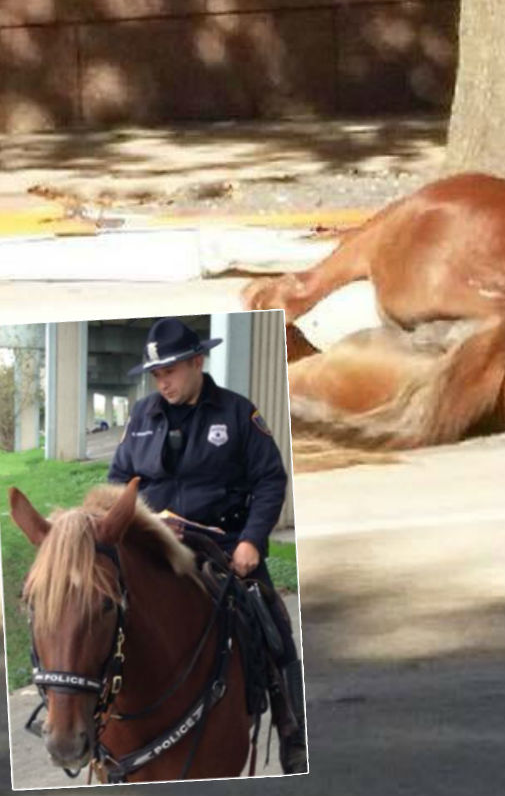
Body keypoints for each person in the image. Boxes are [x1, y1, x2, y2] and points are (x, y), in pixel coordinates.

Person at [108, 316, 307, 774]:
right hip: (154, 544)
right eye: (156, 375)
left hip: (222, 545)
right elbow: (119, 478)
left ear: (198, 361)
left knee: (272, 622)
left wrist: (253, 541)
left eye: (171, 371)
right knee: (98, 611)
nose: (163, 382)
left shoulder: (237, 413)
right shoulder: (142, 416)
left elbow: (269, 479)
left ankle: (293, 730)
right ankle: (91, 718)